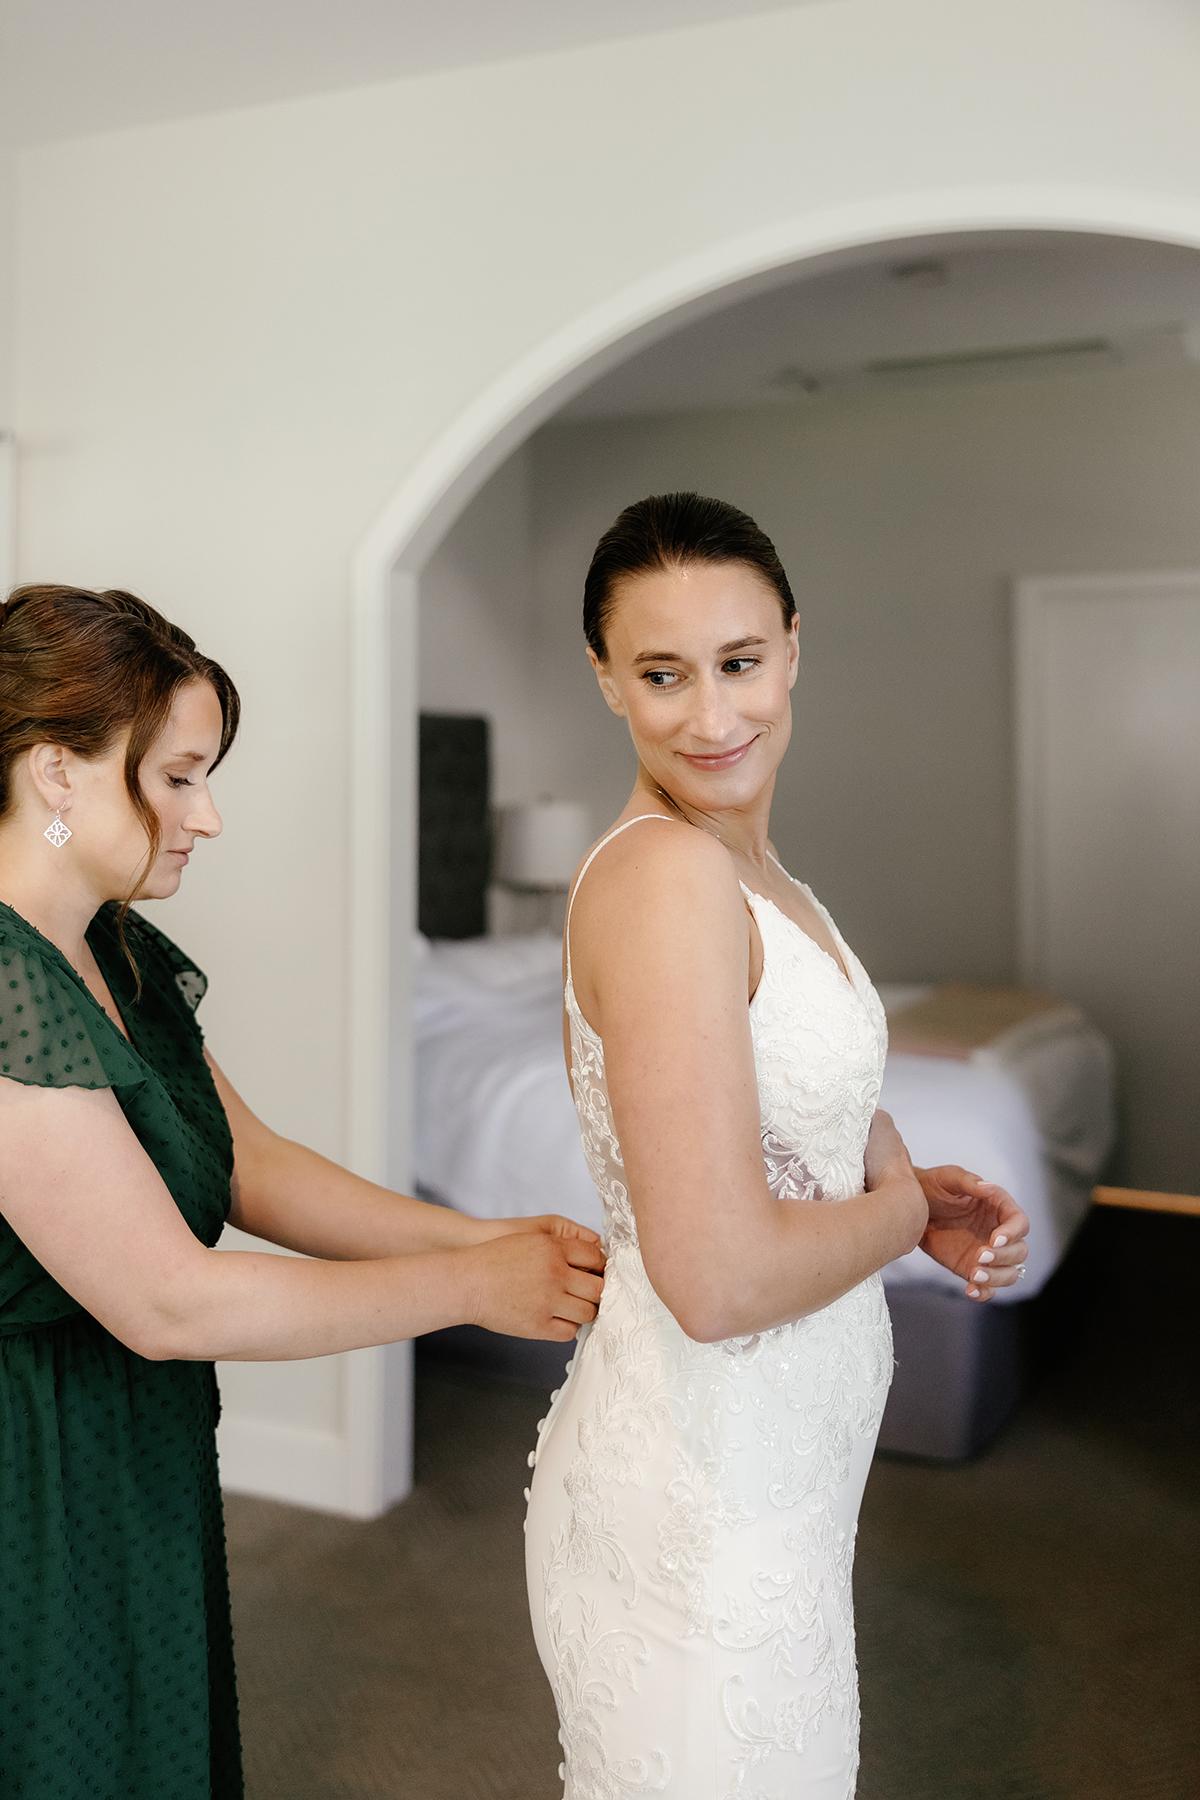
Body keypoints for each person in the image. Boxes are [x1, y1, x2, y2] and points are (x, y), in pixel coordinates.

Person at [0, 584, 605, 1800]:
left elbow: (252, 1164)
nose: (207, 817)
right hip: (34, 1456)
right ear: (56, 771)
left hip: (130, 1426)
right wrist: (469, 1285)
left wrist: (484, 1229)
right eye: (176, 777)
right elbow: (170, 1301)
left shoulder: (111, 946)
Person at [524, 494, 1030, 1799]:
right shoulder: (664, 879)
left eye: (740, 662)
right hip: (702, 1497)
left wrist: (888, 1158)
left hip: (775, 1481)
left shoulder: (755, 872)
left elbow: (805, 1084)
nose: (712, 716)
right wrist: (906, 1206)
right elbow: (720, 1278)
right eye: (662, 675)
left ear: (793, 649)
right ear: (607, 683)